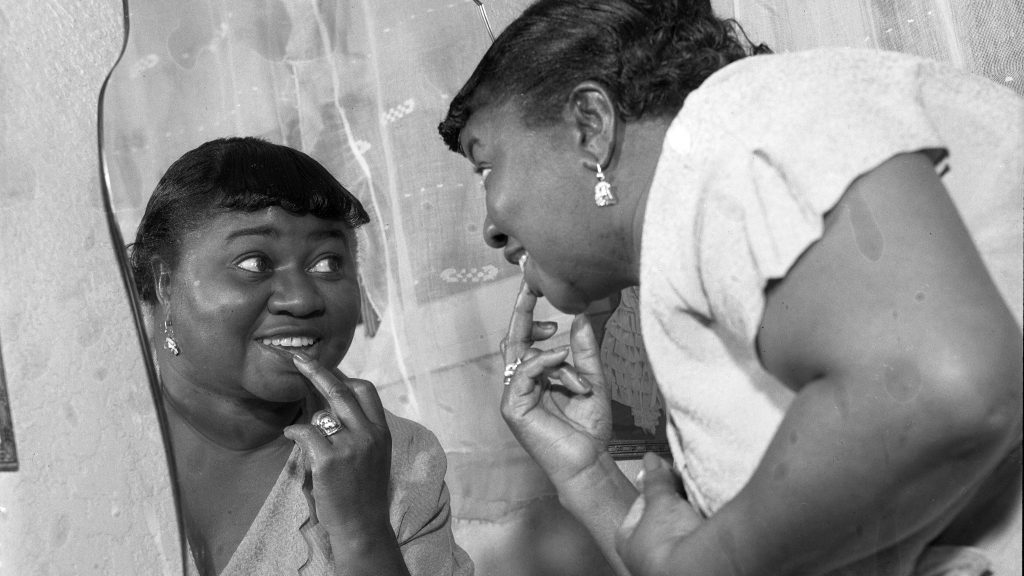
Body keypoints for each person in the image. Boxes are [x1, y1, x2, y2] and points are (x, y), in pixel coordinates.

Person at [437, 0, 1023, 574]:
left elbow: (943, 386)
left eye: (485, 167)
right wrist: (585, 472)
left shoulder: (736, 124)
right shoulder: (710, 232)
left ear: (590, 127)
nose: (489, 228)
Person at [128, 137, 473, 576]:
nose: (301, 300)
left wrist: (362, 532)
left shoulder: (401, 460)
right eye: (255, 263)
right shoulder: (86, 443)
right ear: (164, 283)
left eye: (328, 263)